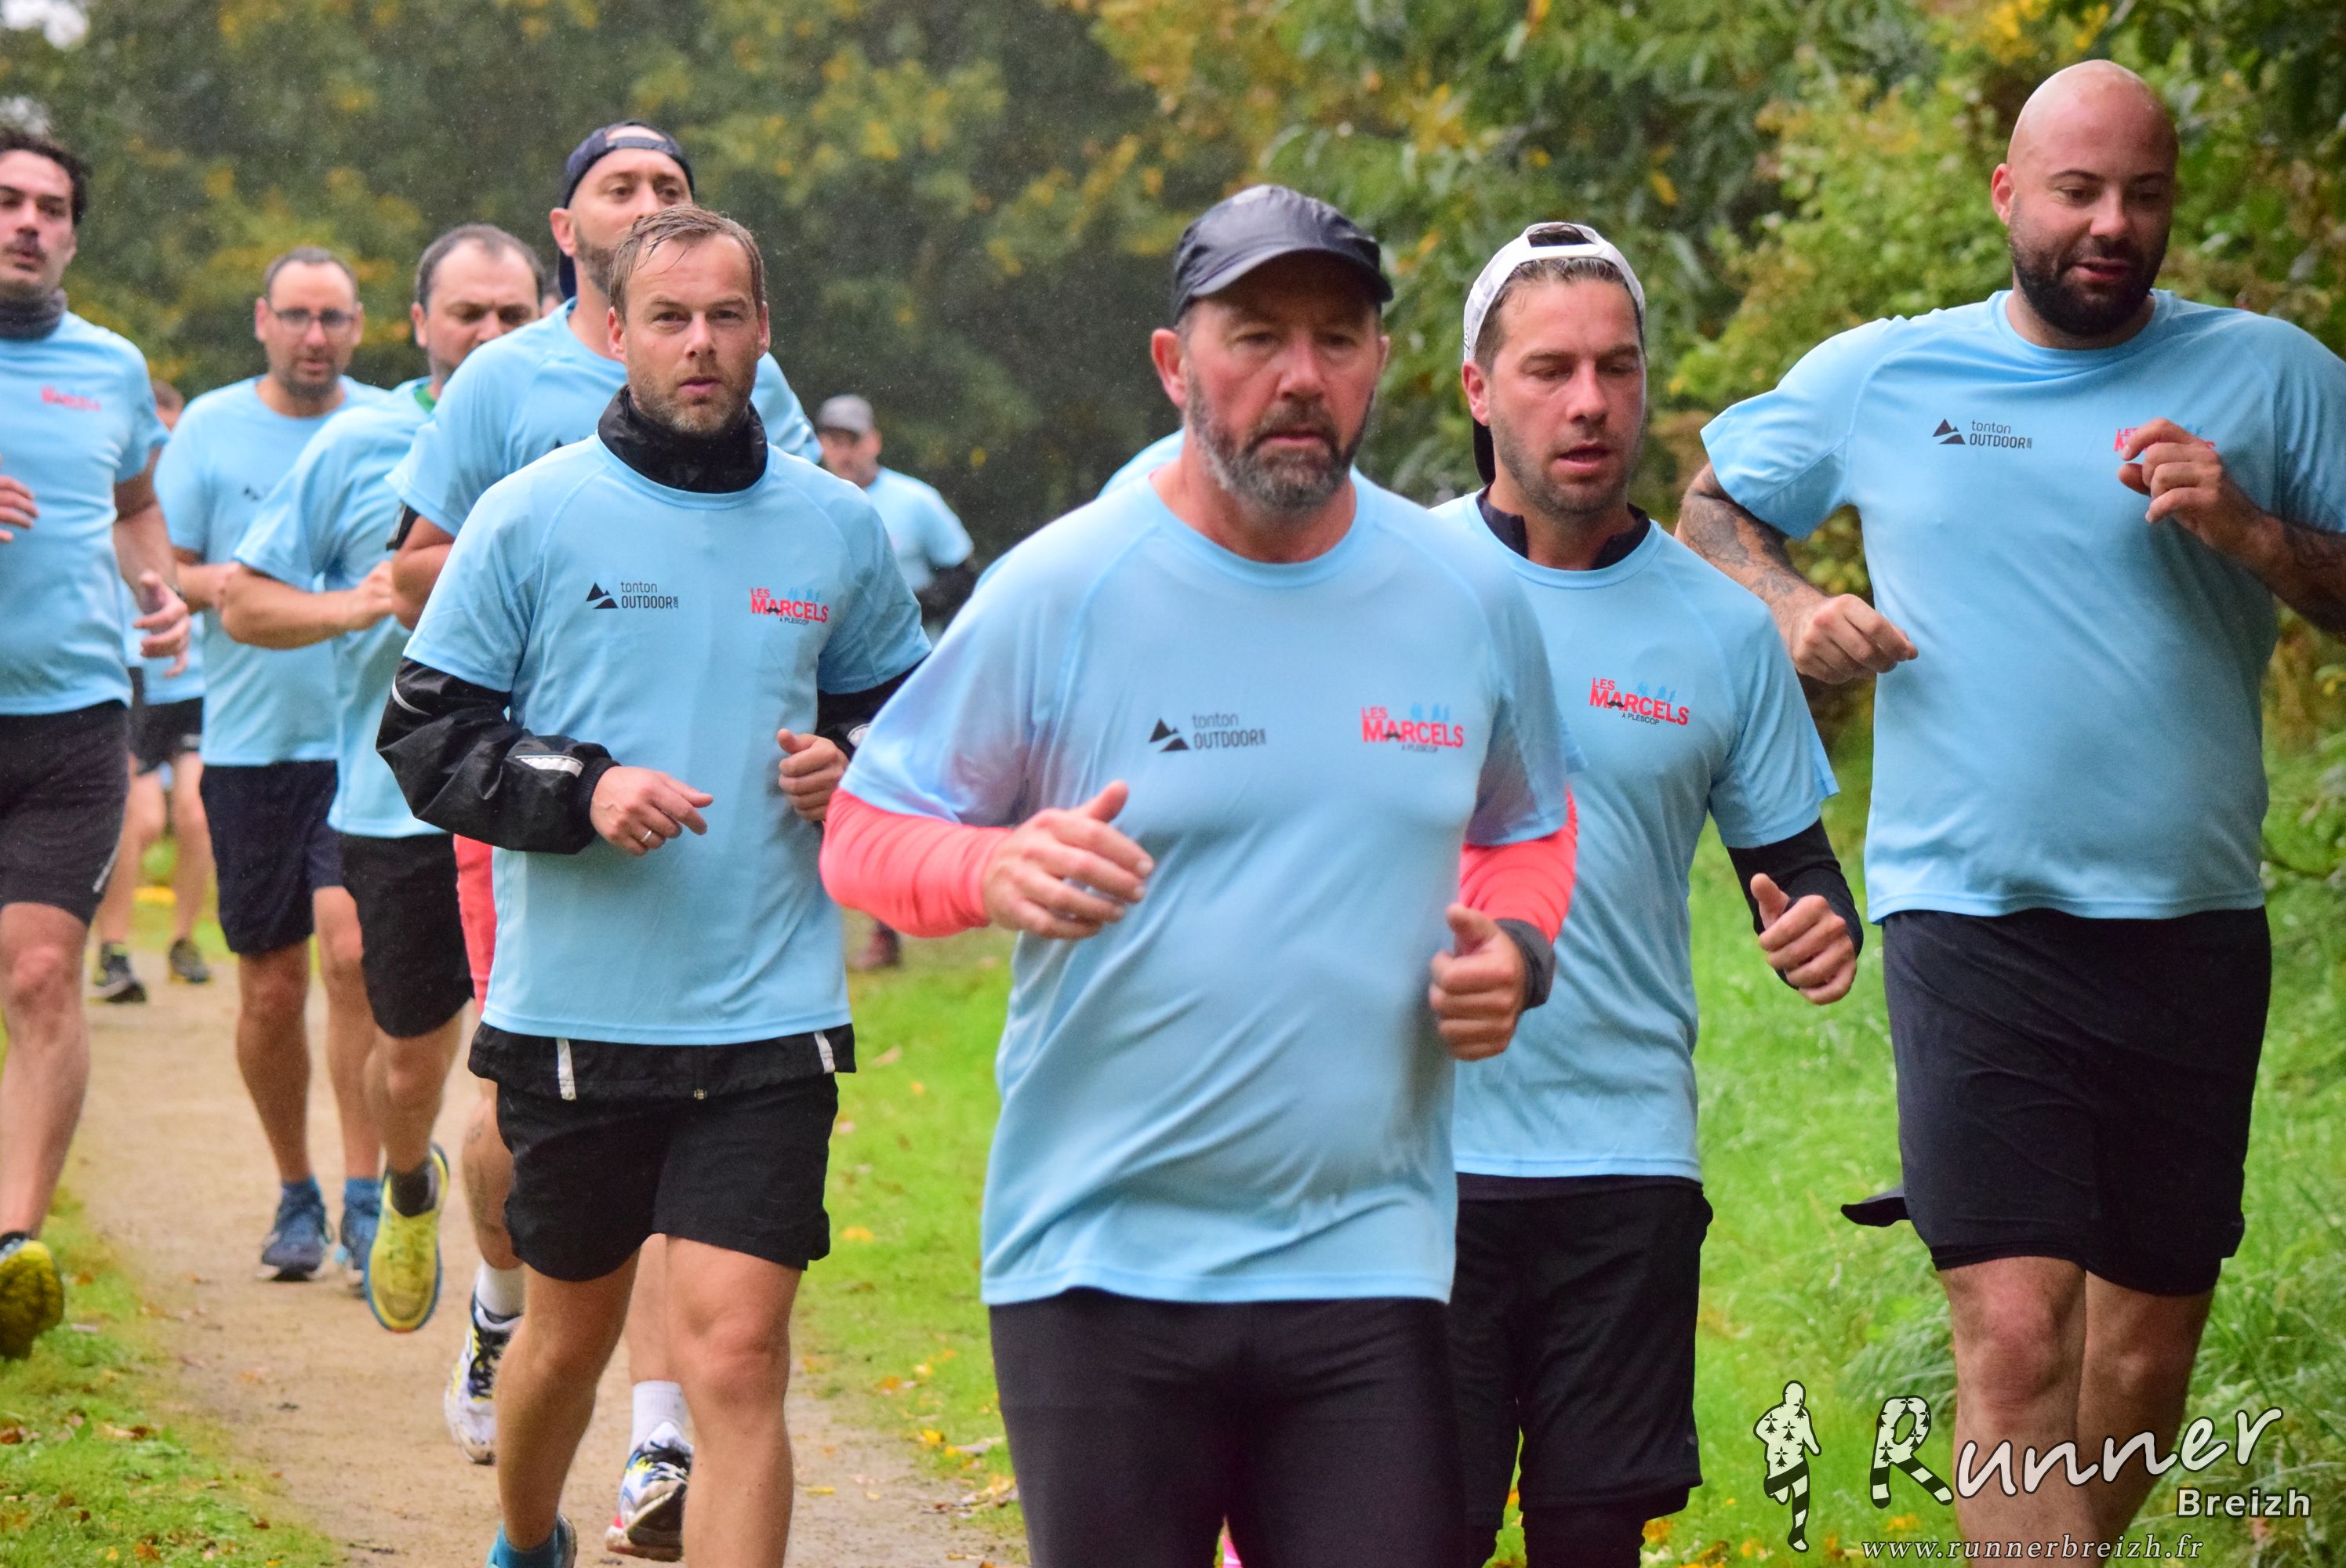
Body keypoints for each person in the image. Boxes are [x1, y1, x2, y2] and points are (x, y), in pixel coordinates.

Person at [819, 184, 1580, 1568]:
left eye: (1336, 339)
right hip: (1100, 1265)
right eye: (1256, 336)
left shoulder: (1465, 595)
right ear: (1176, 363)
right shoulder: (1065, 589)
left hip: (1367, 1260)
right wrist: (993, 865)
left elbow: (1528, 826)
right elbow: (865, 832)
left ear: (1380, 363)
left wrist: (1516, 956)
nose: (1300, 376)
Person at [1679, 62, 2346, 1547]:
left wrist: (2248, 532)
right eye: (2077, 191)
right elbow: (1711, 512)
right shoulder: (1887, 375)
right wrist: (1790, 607)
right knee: (2016, 1337)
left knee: (2144, 1358)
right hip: (1970, 919)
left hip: (2190, 921)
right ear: (2006, 195)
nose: (2111, 224)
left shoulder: (2272, 376)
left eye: (2143, 195)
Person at [380, 205, 926, 1568]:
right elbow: (428, 738)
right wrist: (584, 789)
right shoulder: (533, 513)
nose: (700, 344)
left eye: (727, 317)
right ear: (615, 330)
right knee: (566, 1342)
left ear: (764, 333)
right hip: (578, 1017)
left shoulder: (836, 526)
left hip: (768, 1014)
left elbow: (915, 733)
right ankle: (527, 1538)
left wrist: (853, 763)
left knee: (736, 1356)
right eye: (670, 318)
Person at [1429, 223, 1860, 1568]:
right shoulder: (1384, 584)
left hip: (1624, 1160)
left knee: (1593, 1536)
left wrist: (1818, 925)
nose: (1589, 402)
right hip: (1405, 1154)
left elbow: (1792, 864)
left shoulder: (1722, 626)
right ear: (1478, 389)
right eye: (1550, 369)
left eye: (1617, 369)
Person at [221, 227, 545, 1344]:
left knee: (532, 1057)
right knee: (409, 1061)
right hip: (399, 799)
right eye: (468, 313)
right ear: (418, 324)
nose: (491, 334)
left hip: (548, 797)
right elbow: (246, 602)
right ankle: (406, 1180)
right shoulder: (360, 442)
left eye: (513, 314)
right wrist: (357, 604)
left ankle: (523, 1296)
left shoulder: (582, 434)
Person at [0, 125, 191, 1358]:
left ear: (74, 233)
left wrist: (158, 585)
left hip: (72, 715)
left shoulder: (112, 366)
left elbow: (136, 505)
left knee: (37, 975)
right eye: (7, 200)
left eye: (51, 207)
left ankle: (11, 1251)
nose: (27, 222)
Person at [162, 245, 387, 1284]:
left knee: (352, 956)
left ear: (361, 326)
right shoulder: (209, 427)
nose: (315, 336)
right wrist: (267, 588)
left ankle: (365, 1192)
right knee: (269, 987)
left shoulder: (385, 428)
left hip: (363, 745)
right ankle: (295, 1186)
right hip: (251, 745)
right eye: (297, 316)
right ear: (263, 320)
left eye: (333, 317)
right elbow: (165, 568)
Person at [813, 392, 975, 971]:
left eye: (852, 440)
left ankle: (905, 916)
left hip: (907, 677)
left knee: (889, 792)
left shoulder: (914, 502)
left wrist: (902, 608)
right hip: (829, 674)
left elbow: (963, 576)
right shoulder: (808, 502)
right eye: (832, 441)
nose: (843, 452)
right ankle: (847, 926)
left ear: (874, 442)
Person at [89, 575, 215, 1003]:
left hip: (196, 683)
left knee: (195, 814)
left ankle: (183, 941)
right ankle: (113, 949)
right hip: (135, 675)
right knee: (142, 821)